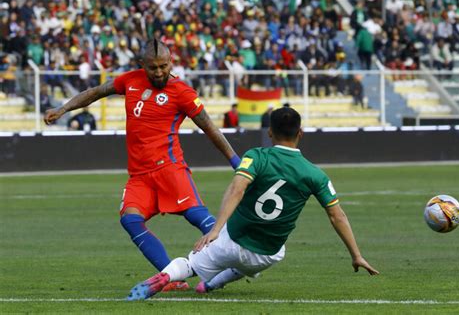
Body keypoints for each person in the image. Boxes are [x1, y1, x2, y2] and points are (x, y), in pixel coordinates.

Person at [44, 39, 241, 292]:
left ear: (171, 63)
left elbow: (210, 128)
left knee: (198, 217)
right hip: (139, 175)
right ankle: (171, 277)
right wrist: (62, 109)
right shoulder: (130, 80)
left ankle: (235, 260)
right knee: (130, 220)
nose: (159, 72)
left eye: (163, 66)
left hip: (170, 168)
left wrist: (236, 161)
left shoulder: (182, 92)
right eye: (153, 67)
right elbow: (94, 92)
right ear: (142, 65)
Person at [127, 107, 379, 301]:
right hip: (265, 254)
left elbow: (237, 189)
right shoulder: (315, 175)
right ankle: (212, 284)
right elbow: (338, 217)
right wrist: (356, 255)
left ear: (270, 132)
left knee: (191, 264)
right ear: (300, 133)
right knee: (263, 259)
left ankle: (166, 276)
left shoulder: (256, 156)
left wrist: (215, 231)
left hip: (230, 240)